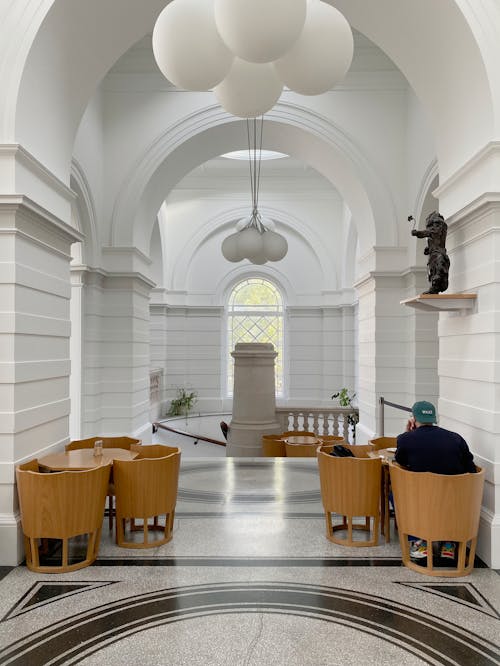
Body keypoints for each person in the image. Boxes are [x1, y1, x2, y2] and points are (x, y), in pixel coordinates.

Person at [395, 400, 476, 562]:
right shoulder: (456, 439)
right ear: (434, 418)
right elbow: (471, 469)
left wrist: (408, 433)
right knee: (447, 500)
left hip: (421, 502)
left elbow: (400, 461)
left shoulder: (405, 439)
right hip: (453, 502)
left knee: (394, 496)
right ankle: (448, 545)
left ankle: (421, 541)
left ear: (413, 419)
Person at [411, 211, 450, 294]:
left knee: (438, 270)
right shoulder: (437, 230)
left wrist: (417, 233)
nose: (431, 227)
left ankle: (436, 287)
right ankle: (434, 288)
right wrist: (428, 249)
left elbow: (427, 233)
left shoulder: (438, 227)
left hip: (438, 253)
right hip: (434, 253)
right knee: (432, 271)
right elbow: (434, 240)